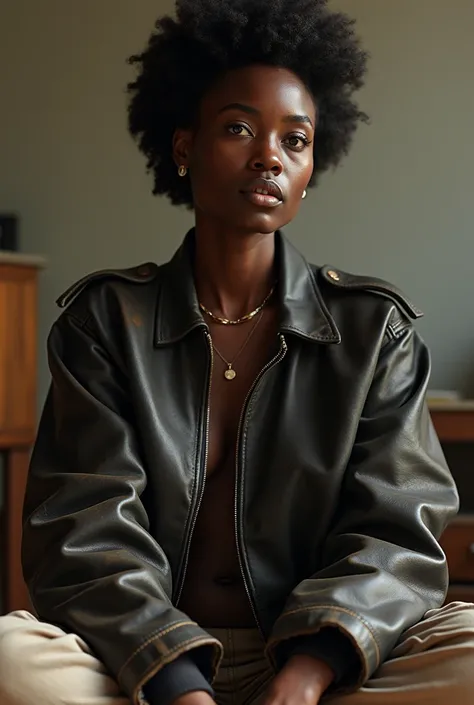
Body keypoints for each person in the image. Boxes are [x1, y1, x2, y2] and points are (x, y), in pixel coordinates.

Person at [1, 0, 473, 703]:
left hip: (321, 657)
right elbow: (83, 530)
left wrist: (305, 675)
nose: (268, 157)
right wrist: (179, 684)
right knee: (12, 656)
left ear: (313, 166)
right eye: (239, 128)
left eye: (295, 139)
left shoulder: (375, 331)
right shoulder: (105, 321)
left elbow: (396, 534)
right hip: (144, 658)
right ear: (185, 146)